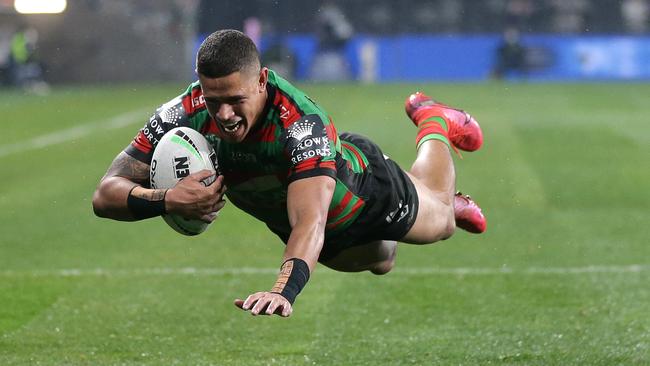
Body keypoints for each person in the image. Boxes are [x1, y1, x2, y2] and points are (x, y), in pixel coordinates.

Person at [92, 29, 487, 318]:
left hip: (363, 194)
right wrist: (168, 198)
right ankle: (428, 197)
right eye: (214, 102)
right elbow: (105, 194)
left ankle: (434, 121)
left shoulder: (300, 124)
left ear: (262, 80)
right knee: (383, 260)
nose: (224, 115)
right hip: (308, 228)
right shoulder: (182, 111)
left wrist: (283, 290)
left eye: (235, 100)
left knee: (443, 221)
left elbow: (311, 221)